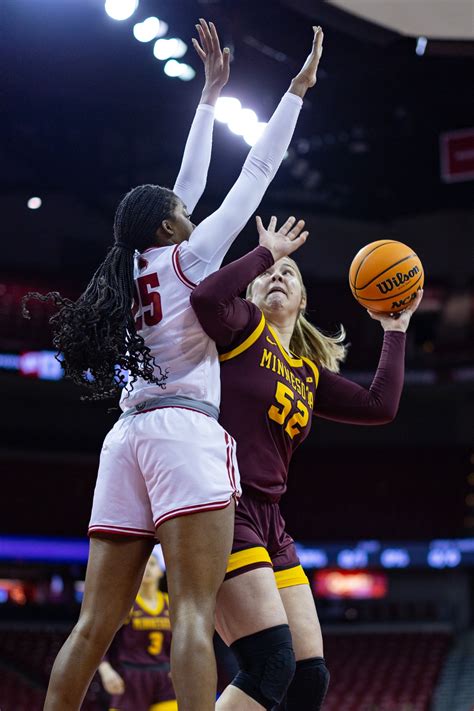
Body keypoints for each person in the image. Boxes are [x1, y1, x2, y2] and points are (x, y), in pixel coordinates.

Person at [23, 21, 325, 711]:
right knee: (192, 612)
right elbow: (257, 171)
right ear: (168, 227)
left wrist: (210, 98)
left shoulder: (128, 266)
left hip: (125, 437)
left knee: (94, 622)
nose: (191, 210)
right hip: (184, 435)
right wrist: (296, 94)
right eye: (180, 213)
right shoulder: (192, 256)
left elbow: (188, 179)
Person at [190, 216, 423, 710]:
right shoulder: (242, 330)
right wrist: (264, 254)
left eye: (289, 275)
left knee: (307, 677)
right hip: (221, 505)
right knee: (270, 663)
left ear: (302, 302)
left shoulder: (307, 373)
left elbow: (379, 406)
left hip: (271, 519)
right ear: (251, 294)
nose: (278, 277)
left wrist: (395, 328)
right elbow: (206, 299)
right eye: (269, 275)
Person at [98, 553, 177, 711]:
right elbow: (100, 641)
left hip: (164, 675)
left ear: (161, 571)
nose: (147, 568)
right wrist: (105, 670)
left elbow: (180, 642)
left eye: (152, 564)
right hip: (131, 675)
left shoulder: (171, 603)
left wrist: (179, 667)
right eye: (144, 564)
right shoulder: (125, 603)